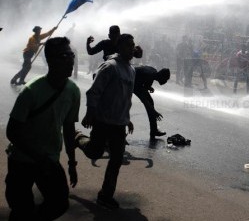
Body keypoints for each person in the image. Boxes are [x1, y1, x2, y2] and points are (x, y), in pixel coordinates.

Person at [5, 37, 80, 220]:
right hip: (22, 160)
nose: (70, 59)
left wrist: (71, 163)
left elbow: (69, 129)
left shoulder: (73, 91)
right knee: (20, 208)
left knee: (59, 203)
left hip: (50, 159)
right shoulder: (32, 91)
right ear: (51, 60)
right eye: (64, 55)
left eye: (71, 55)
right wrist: (39, 157)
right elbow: (12, 131)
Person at [75, 33, 136, 209]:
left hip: (119, 123)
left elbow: (126, 97)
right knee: (94, 152)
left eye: (133, 45)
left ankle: (105, 195)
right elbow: (94, 92)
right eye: (127, 46)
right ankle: (77, 137)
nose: (131, 49)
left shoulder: (131, 70)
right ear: (119, 47)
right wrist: (90, 113)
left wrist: (127, 119)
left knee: (116, 159)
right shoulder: (110, 67)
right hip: (103, 120)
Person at [134, 65, 170, 141]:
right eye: (165, 79)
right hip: (130, 83)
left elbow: (146, 84)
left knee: (150, 101)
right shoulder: (150, 75)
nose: (165, 82)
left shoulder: (153, 72)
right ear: (161, 76)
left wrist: (149, 87)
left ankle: (154, 130)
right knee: (123, 106)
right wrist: (154, 112)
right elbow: (144, 100)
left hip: (137, 83)